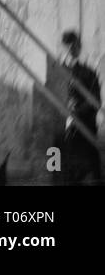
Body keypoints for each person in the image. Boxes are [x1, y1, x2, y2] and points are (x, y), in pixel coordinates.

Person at [59, 30, 101, 185]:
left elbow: (96, 101)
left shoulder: (89, 73)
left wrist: (76, 113)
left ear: (79, 47)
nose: (72, 50)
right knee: (58, 170)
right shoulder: (56, 72)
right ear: (63, 48)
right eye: (68, 47)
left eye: (75, 46)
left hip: (86, 129)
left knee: (93, 171)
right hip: (61, 132)